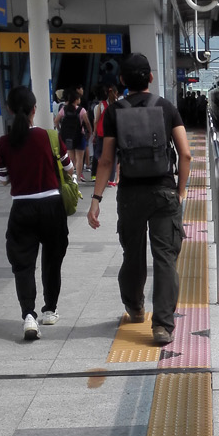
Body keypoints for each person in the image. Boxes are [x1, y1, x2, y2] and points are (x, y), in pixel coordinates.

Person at [88, 53, 191, 346]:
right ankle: (162, 326)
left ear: (122, 80)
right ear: (151, 77)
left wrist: (96, 199)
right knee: (165, 257)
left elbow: (106, 160)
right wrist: (180, 191)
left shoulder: (114, 111)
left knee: (132, 254)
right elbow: (185, 154)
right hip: (164, 192)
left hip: (130, 194)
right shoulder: (166, 107)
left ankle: (135, 308)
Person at [0, 85, 75, 341]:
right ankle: (49, 310)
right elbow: (70, 169)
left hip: (22, 207)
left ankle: (28, 316)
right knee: (52, 259)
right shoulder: (49, 137)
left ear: (9, 110)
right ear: (34, 109)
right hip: (52, 205)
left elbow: (3, 180)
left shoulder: (3, 143)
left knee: (23, 264)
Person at [57, 90, 92, 182]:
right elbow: (87, 123)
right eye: (79, 98)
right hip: (80, 136)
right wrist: (90, 132)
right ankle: (79, 178)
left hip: (68, 137)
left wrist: (60, 130)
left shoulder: (64, 109)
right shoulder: (81, 110)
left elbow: (56, 121)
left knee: (71, 157)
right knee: (79, 158)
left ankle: (70, 177)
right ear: (76, 100)